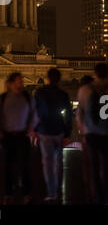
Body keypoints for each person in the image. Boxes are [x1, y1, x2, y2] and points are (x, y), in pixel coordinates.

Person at [0, 72, 38, 205]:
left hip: (23, 136)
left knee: (25, 166)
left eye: (22, 81)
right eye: (19, 81)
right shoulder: (2, 98)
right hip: (7, 137)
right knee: (8, 167)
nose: (22, 84)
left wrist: (31, 127)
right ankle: (8, 193)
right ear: (11, 83)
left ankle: (26, 194)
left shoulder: (27, 97)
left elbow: (34, 114)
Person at [34, 68, 73, 203]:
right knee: (58, 162)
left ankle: (51, 192)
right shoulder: (63, 94)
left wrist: (34, 129)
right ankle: (58, 189)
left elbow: (34, 112)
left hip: (44, 131)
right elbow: (68, 115)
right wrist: (67, 133)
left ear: (48, 78)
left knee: (47, 163)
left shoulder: (40, 93)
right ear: (59, 79)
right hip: (59, 130)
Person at [76, 63, 108, 204]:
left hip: (92, 133)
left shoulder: (85, 90)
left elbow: (79, 114)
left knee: (93, 165)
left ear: (95, 73)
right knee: (106, 165)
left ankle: (97, 196)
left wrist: (83, 132)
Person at [76, 75, 94, 204]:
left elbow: (79, 115)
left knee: (88, 163)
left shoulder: (83, 92)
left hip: (89, 133)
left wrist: (82, 132)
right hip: (103, 133)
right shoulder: (104, 91)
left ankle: (89, 191)